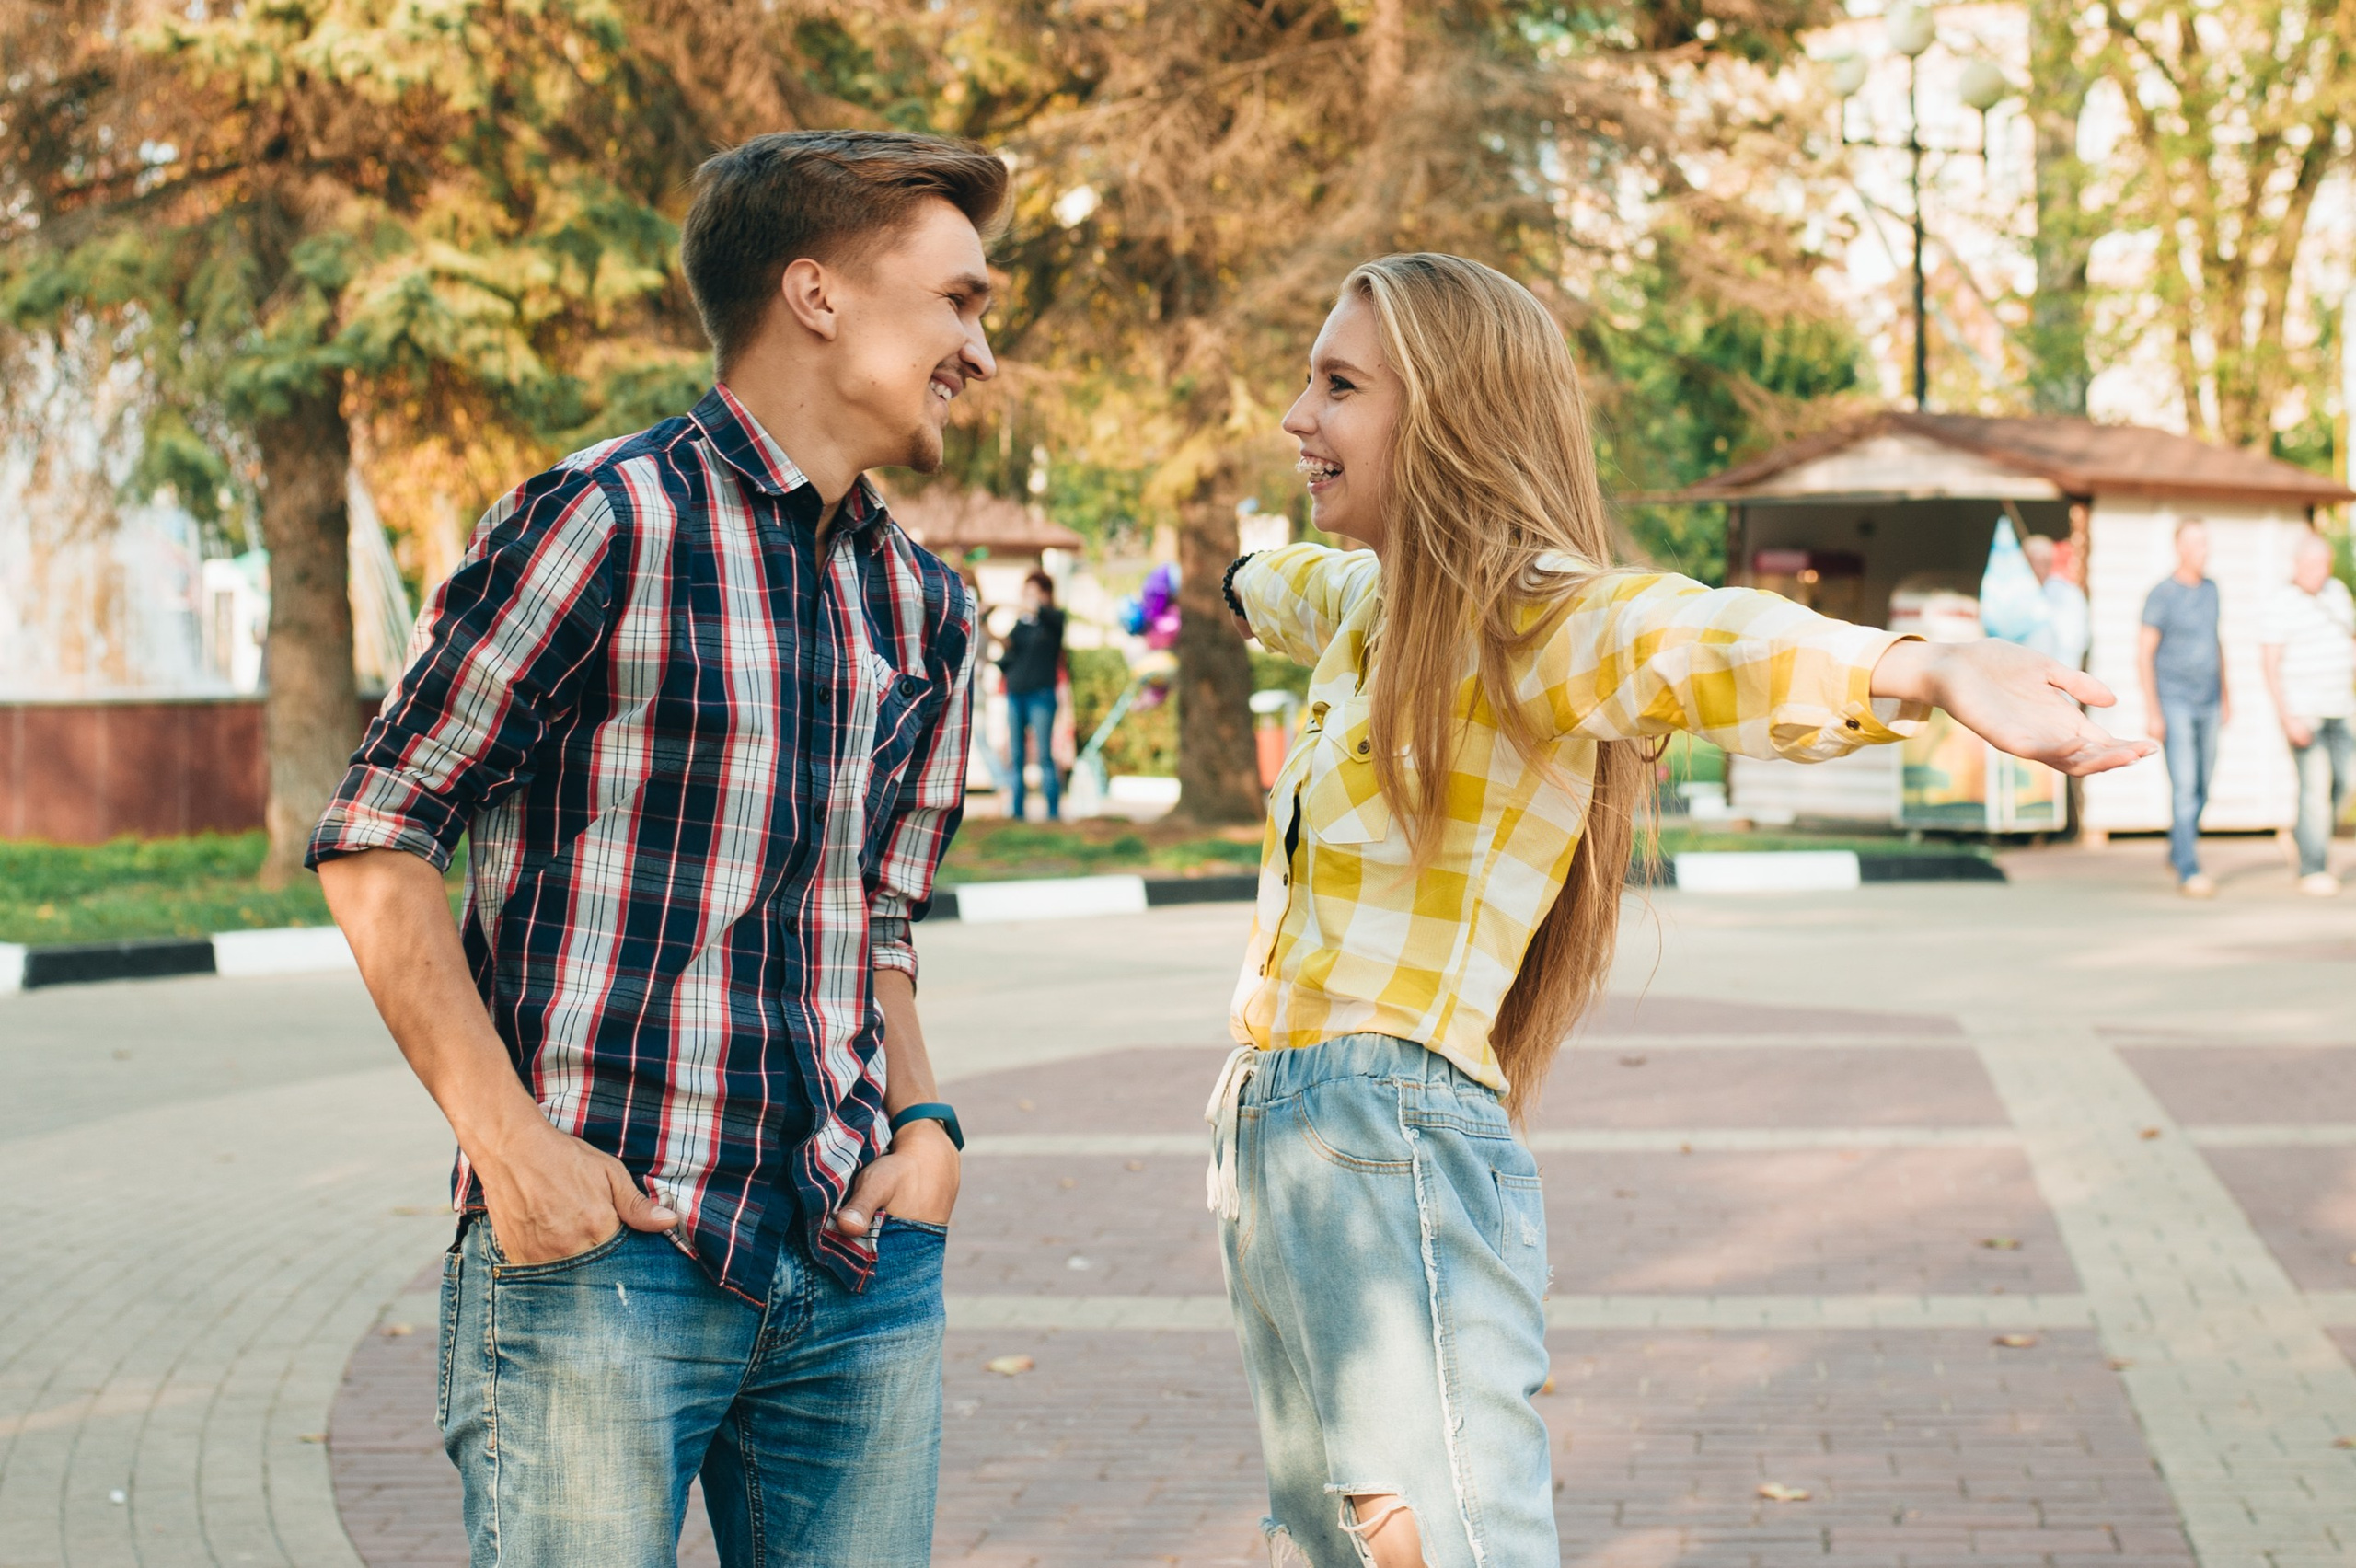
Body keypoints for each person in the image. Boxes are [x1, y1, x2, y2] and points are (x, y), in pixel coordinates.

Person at [1211, 254, 2153, 1568]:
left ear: (1450, 417)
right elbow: (1269, 585)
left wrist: (1920, 664)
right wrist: (1227, 584)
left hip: (1389, 1127)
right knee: (1322, 1546)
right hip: (1275, 1138)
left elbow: (1691, 640)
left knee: (1451, 1541)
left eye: (1341, 385)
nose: (1298, 417)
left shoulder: (1524, 615)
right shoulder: (1366, 604)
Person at [308, 130, 1000, 1568]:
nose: (978, 352)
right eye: (959, 301)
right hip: (604, 1261)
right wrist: (512, 1156)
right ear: (816, 294)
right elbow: (379, 837)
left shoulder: (929, 607)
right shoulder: (606, 523)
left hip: (856, 1267)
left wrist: (926, 1131)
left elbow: (874, 916)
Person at [2259, 531, 2356, 895]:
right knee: (2314, 788)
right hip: (2304, 711)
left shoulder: (2338, 594)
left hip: (2342, 707)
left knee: (2345, 783)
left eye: (2325, 565)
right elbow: (2269, 663)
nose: (2320, 572)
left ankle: (2303, 836)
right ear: (2297, 565)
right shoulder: (2281, 603)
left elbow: (2349, 643)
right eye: (2313, 565)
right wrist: (2287, 716)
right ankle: (2313, 867)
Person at [2140, 519, 2231, 896]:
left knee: (2203, 785)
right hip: (2174, 700)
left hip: (2208, 700)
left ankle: (2178, 848)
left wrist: (2227, 695)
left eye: (2206, 543)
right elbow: (2144, 654)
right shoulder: (2161, 594)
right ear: (2180, 548)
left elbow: (2216, 642)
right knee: (2185, 787)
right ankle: (2189, 869)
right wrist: (2153, 711)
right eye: (2196, 544)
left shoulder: (2212, 590)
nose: (2203, 551)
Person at [999, 569, 1067, 819]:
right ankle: (1016, 812)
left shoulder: (1054, 620)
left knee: (1045, 755)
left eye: (1033, 592)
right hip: (1016, 694)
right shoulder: (1021, 625)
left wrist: (1017, 604)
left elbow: (1046, 616)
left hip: (1041, 695)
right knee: (1016, 756)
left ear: (1046, 594)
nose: (1028, 598)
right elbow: (1008, 649)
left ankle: (1053, 812)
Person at [2024, 533, 2089, 669]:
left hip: (2059, 673)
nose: (2038, 567)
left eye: (2044, 562)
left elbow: (2076, 640)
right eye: (2032, 561)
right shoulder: (2014, 592)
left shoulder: (2069, 593)